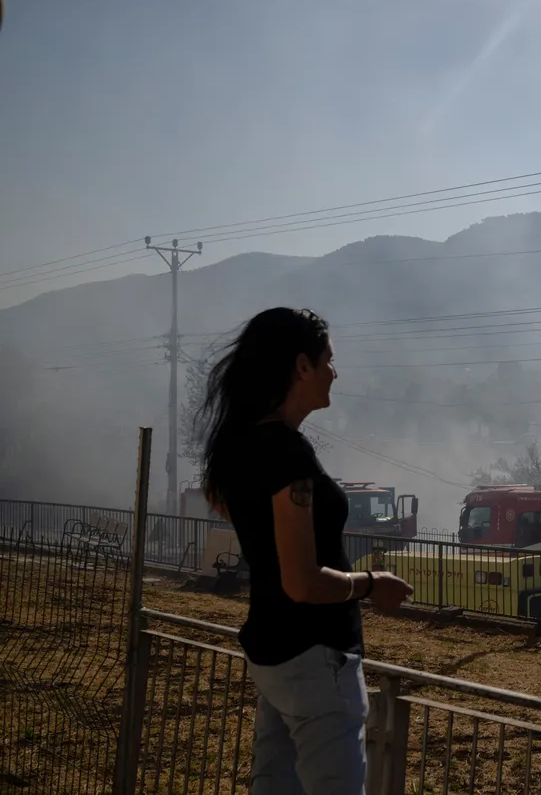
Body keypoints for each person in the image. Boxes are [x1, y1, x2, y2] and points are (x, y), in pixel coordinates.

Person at [199, 307, 413, 795]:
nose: (335, 372)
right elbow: (302, 581)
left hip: (273, 656)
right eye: (329, 360)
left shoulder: (242, 445)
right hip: (316, 661)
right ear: (302, 366)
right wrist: (371, 585)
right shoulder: (287, 454)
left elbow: (241, 517)